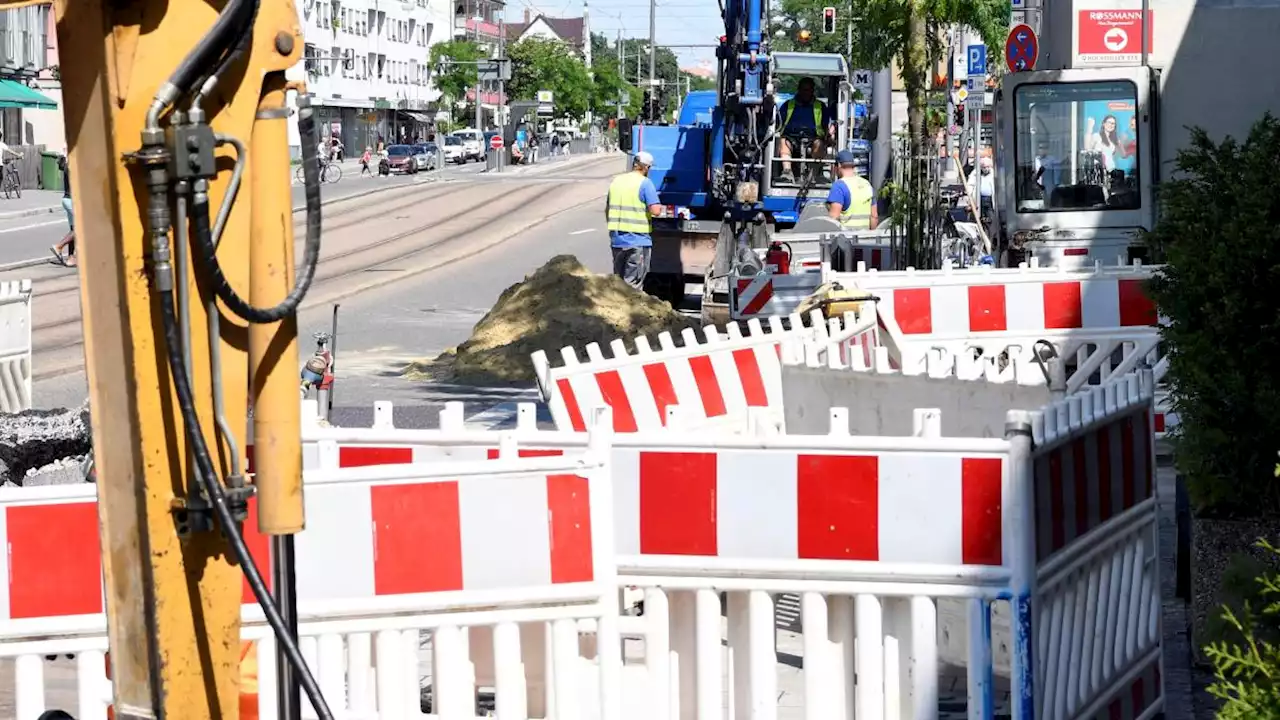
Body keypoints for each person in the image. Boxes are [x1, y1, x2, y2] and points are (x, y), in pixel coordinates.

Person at [606, 151, 663, 289]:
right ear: (646, 168)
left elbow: (607, 209)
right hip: (637, 241)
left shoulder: (616, 181)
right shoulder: (645, 183)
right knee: (632, 287)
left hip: (617, 241)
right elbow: (655, 211)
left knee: (618, 285)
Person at [776, 77, 836, 183]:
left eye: (808, 90)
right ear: (799, 90)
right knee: (783, 141)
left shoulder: (820, 106)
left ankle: (815, 174)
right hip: (792, 138)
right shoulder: (788, 105)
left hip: (813, 138)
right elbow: (778, 122)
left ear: (812, 91)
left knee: (819, 144)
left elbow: (826, 125)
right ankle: (787, 172)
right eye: (803, 90)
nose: (805, 93)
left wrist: (829, 135)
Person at [826, 150, 878, 230]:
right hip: (864, 239)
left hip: (846, 240)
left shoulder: (839, 186)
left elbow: (834, 219)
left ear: (838, 165)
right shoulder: (867, 184)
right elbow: (874, 216)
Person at [51, 155, 75, 267]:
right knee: (80, 229)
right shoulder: (73, 167)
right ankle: (59, 246)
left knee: (73, 230)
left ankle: (71, 258)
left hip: (67, 200)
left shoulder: (67, 166)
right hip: (72, 201)